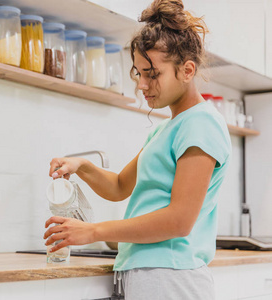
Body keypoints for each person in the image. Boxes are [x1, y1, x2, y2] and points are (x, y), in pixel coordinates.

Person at [43, 0, 232, 299]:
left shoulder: (201, 124)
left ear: (187, 70)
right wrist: (83, 166)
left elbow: (179, 221)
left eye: (152, 74)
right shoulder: (166, 129)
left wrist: (93, 231)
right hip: (152, 276)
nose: (142, 84)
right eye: (138, 73)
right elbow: (120, 186)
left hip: (171, 278)